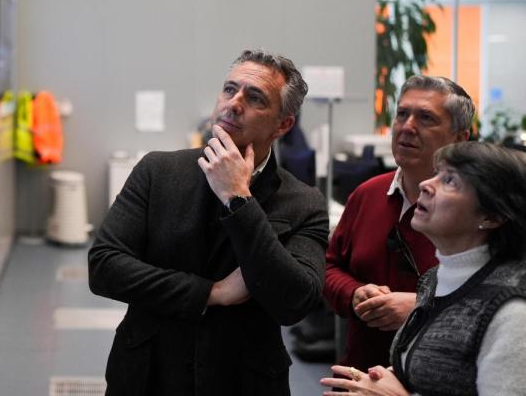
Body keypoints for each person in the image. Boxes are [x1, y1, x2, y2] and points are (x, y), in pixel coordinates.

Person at [89, 50, 328, 395]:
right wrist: (211, 294)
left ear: (283, 125)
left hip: (243, 381)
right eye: (230, 89)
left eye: (255, 98)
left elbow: (294, 303)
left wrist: (238, 198)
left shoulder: (303, 202)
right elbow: (104, 267)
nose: (234, 103)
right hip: (149, 374)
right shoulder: (158, 171)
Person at [321, 142, 526, 395]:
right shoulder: (434, 280)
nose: (425, 185)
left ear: (491, 217)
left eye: (450, 181)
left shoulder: (513, 311)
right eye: (437, 174)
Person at [323, 76, 474, 371]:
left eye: (426, 118)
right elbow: (330, 267)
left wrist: (421, 309)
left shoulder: (478, 212)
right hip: (360, 376)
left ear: (459, 139)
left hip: (435, 380)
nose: (407, 126)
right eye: (402, 114)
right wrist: (354, 294)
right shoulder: (366, 194)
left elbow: (495, 301)